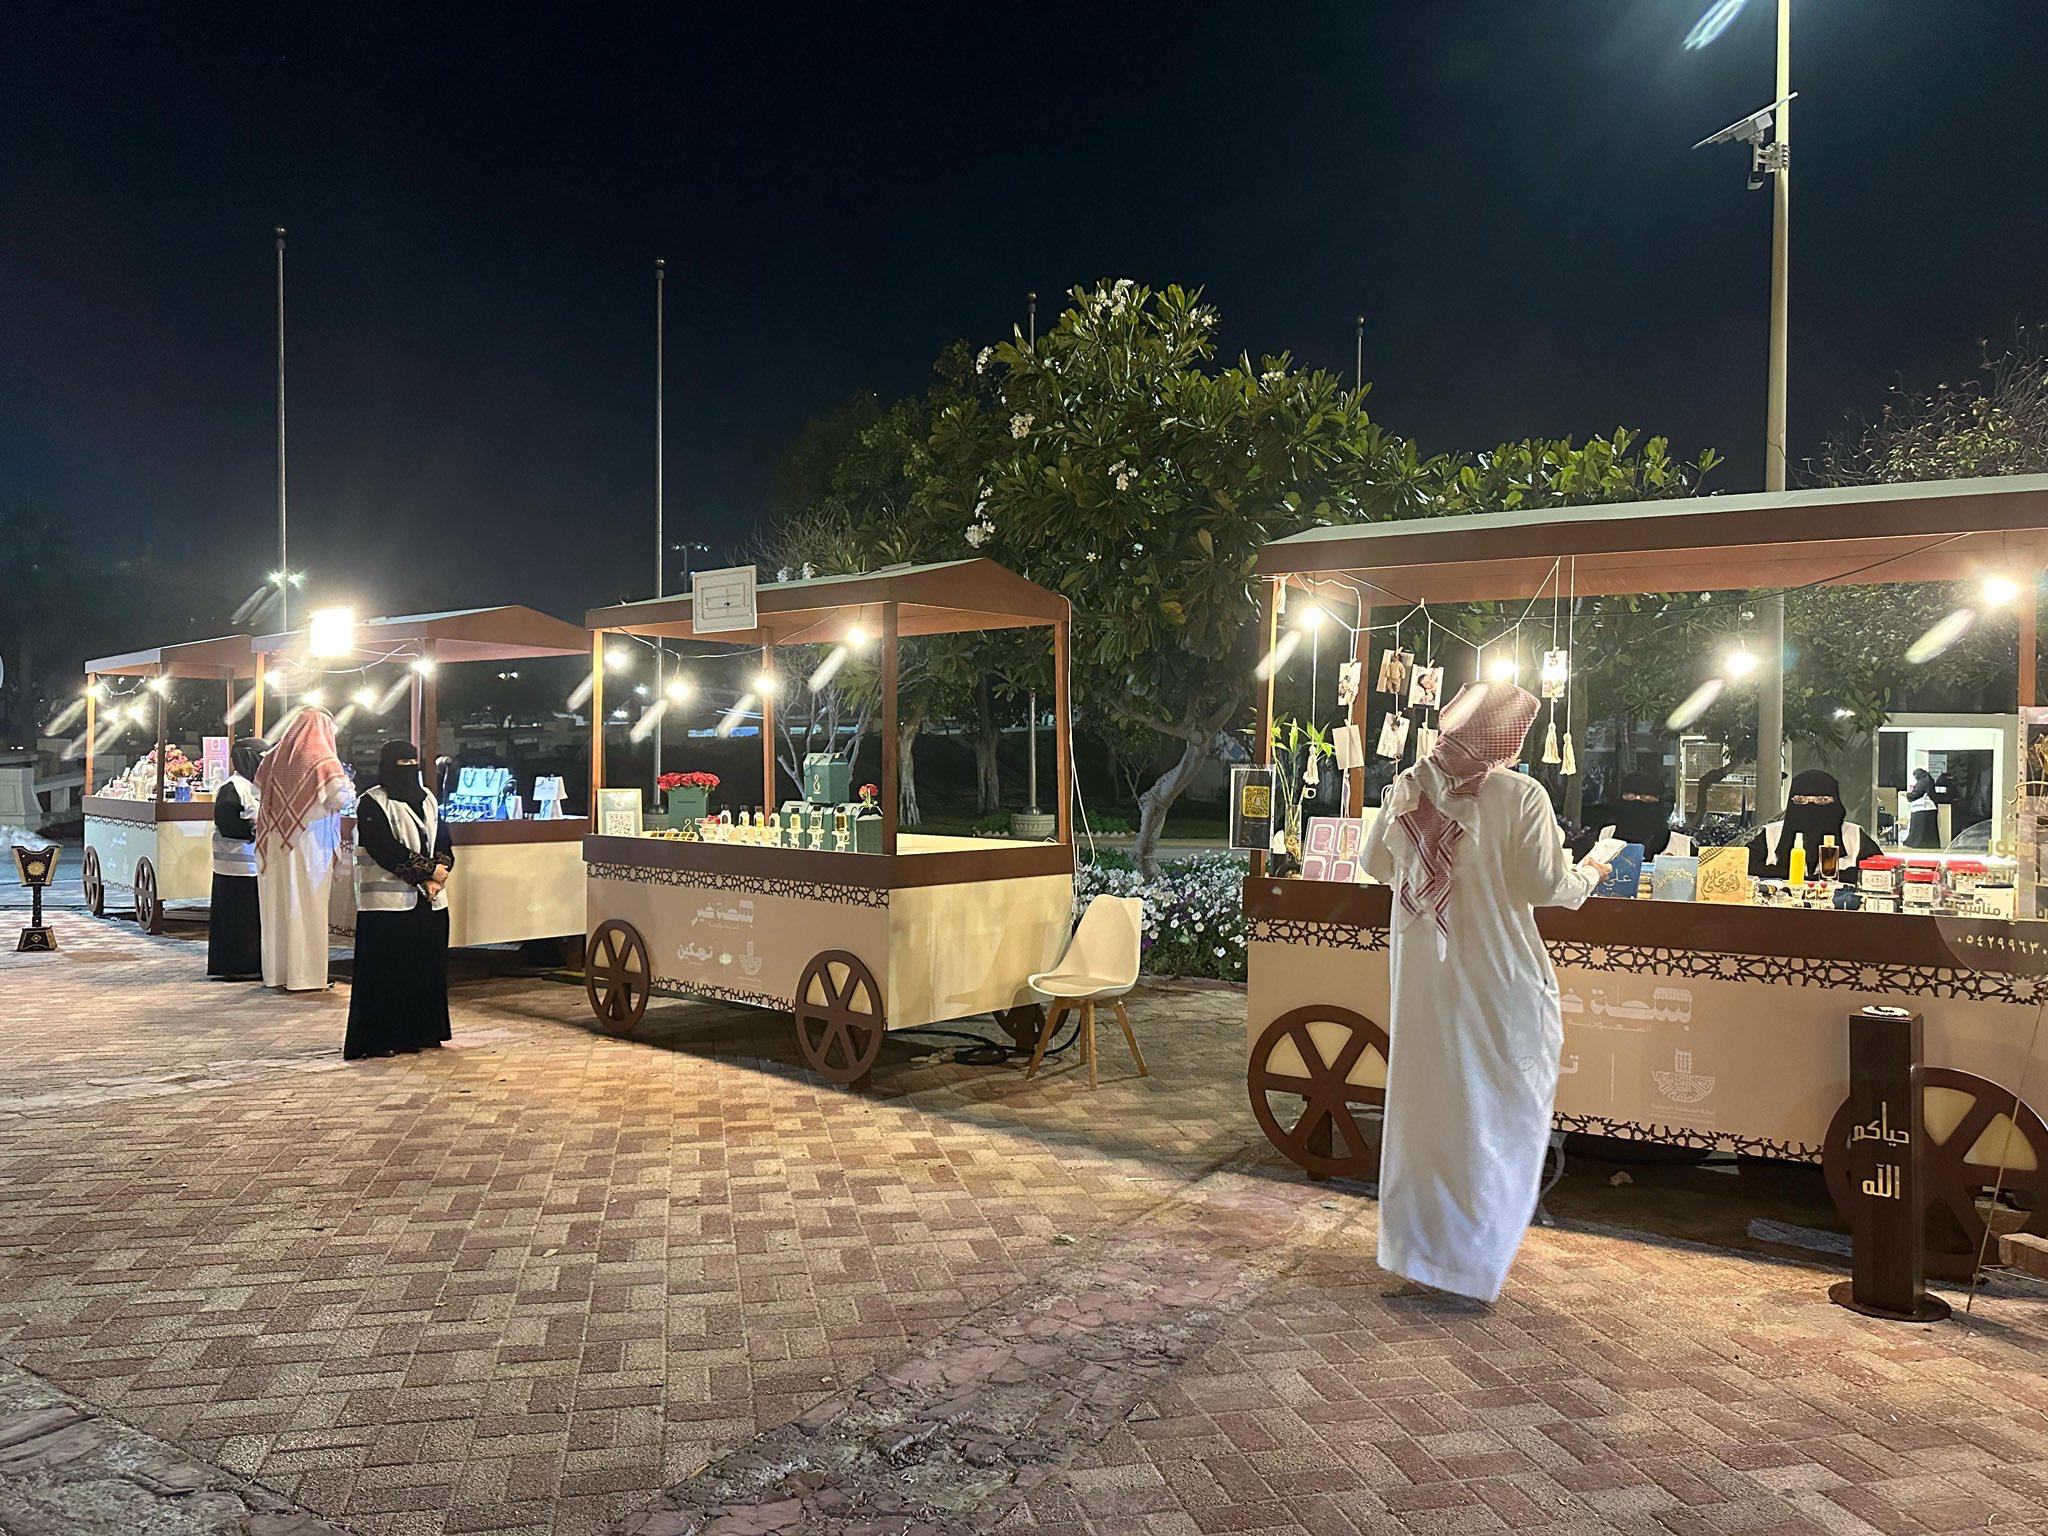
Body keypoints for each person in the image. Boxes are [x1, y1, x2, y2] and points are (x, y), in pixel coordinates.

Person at [1360, 682, 1609, 1303]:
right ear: (1509, 739)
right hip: (1500, 980)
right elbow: (1547, 886)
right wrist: (1593, 869)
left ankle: (1421, 1255)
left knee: (1428, 1114)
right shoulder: (1521, 794)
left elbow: (1375, 865)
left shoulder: (1409, 786)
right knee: (1497, 1116)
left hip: (1424, 985)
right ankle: (1471, 1264)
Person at [344, 740, 453, 1059]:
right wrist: (429, 872)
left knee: (425, 969)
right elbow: (383, 848)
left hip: (429, 902)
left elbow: (442, 839)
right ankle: (383, 1038)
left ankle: (422, 1032)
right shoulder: (372, 802)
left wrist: (439, 872)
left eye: (411, 762)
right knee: (388, 974)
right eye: (400, 763)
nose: (408, 769)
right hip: (386, 907)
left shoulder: (428, 799)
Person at [255, 706, 351, 992]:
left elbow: (258, 792)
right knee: (307, 906)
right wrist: (351, 786)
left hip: (275, 842)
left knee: (277, 907)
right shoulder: (322, 759)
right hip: (310, 843)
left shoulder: (272, 757)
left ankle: (277, 973)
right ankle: (306, 976)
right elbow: (340, 799)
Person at [206, 736, 268, 978]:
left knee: (250, 921)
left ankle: (251, 965)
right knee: (236, 921)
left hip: (253, 867)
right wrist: (254, 830)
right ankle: (236, 967)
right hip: (234, 867)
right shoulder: (233, 788)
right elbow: (226, 822)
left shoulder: (257, 787)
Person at [1749, 768, 1874, 878]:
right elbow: (1744, 866)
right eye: (1801, 800)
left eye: (1822, 800)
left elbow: (1876, 873)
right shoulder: (1772, 834)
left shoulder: (1853, 836)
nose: (1811, 807)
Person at [1594, 770, 1694, 859]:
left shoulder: (1681, 846)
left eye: (1646, 799)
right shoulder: (1605, 836)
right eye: (1630, 797)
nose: (1636, 804)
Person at [1902, 768, 1941, 848]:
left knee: (1917, 829)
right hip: (1929, 808)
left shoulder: (1923, 781)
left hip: (1922, 809)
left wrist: (1908, 795)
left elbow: (1917, 793)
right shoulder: (1929, 779)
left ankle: (1915, 843)